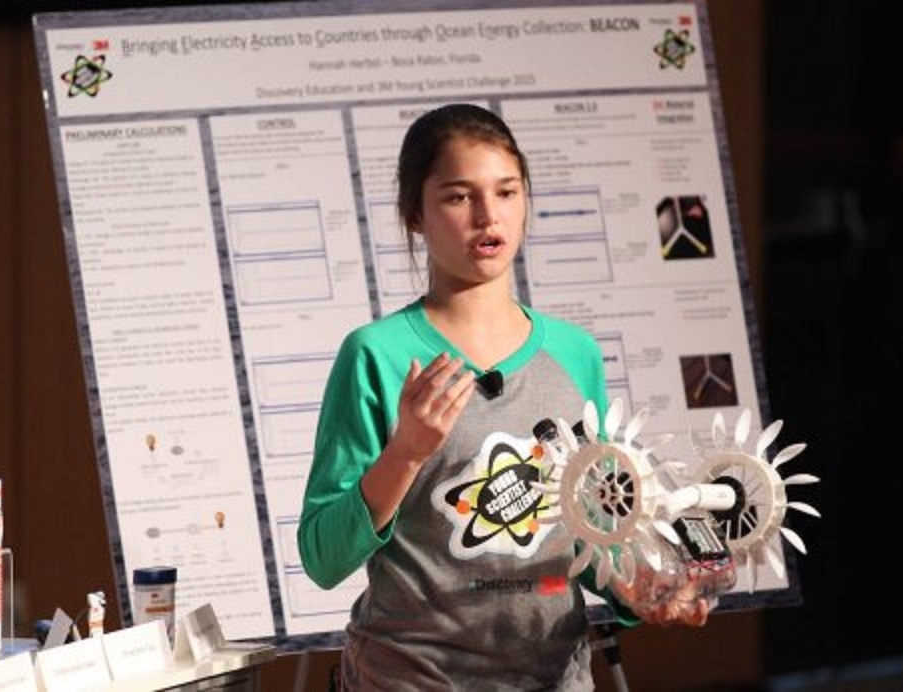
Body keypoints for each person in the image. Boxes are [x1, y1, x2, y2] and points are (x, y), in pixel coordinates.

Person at [298, 103, 707, 691]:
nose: (488, 215)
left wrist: (641, 589)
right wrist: (405, 453)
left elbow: (595, 531)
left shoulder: (574, 353)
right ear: (415, 214)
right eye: (458, 196)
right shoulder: (376, 355)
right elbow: (322, 557)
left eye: (507, 192)